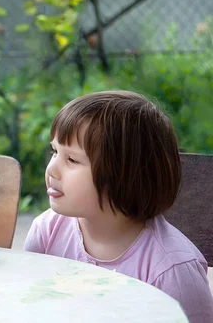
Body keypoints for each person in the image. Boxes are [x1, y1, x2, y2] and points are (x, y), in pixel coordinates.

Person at [24, 90, 213, 322]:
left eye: (72, 160)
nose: (51, 169)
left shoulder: (172, 272)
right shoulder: (47, 231)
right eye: (55, 152)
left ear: (125, 174)